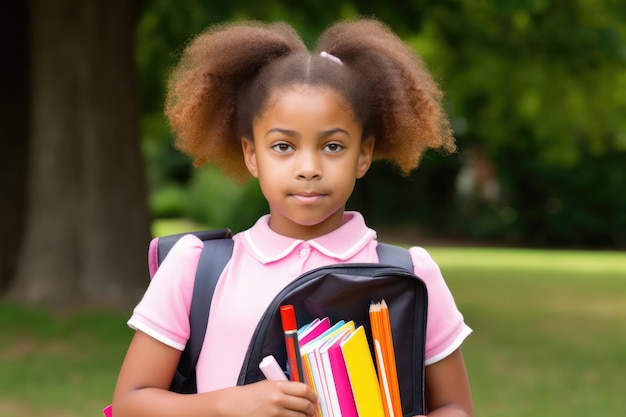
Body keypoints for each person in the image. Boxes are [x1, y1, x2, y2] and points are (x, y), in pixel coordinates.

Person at [112, 18, 473, 417]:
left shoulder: (410, 274)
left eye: (333, 146)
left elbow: (455, 407)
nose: (308, 167)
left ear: (364, 154)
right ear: (251, 154)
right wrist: (226, 405)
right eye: (283, 146)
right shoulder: (198, 268)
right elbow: (131, 403)